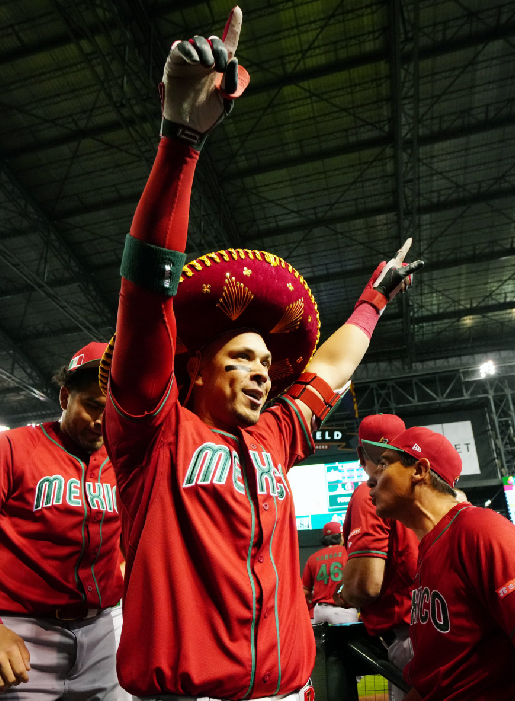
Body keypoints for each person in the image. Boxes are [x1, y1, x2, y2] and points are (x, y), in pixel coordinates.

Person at [100, 8, 424, 700]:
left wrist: (374, 298)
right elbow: (146, 292)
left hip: (288, 690)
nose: (260, 373)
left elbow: (331, 369)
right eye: (239, 358)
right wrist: (182, 141)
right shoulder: (152, 433)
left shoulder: (275, 435)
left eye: (265, 364)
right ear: (193, 368)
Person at [0, 342, 128, 700]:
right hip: (19, 628)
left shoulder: (125, 464)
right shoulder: (7, 447)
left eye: (114, 410)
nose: (103, 420)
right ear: (64, 396)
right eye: (92, 405)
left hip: (103, 627)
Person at [367, 426, 515, 700]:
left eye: (383, 465)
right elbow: (441, 678)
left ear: (419, 470)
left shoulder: (480, 530)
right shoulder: (432, 546)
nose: (372, 479)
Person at [335, 413, 418, 701]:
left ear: (361, 453)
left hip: (408, 638)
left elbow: (365, 586)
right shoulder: (427, 488)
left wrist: (345, 591)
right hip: (441, 627)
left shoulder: (371, 491)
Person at [303, 522, 358, 625]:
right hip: (343, 611)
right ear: (341, 535)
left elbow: (305, 591)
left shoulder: (313, 557)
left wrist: (320, 596)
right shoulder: (348, 552)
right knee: (346, 641)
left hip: (319, 612)